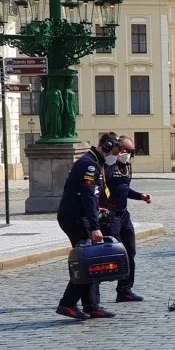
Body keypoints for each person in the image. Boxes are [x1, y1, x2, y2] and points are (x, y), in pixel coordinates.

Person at [56, 132, 121, 320]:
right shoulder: (90, 165)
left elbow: (91, 195)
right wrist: (94, 226)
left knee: (92, 259)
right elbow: (87, 195)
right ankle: (68, 303)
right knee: (89, 260)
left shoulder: (94, 162)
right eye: (115, 152)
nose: (116, 156)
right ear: (106, 148)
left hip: (78, 215)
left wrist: (97, 209)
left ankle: (91, 305)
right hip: (76, 218)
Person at [96, 136, 151, 304]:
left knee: (130, 252)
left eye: (130, 151)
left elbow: (124, 190)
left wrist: (140, 196)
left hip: (123, 215)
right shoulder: (107, 166)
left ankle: (125, 290)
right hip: (109, 217)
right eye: (124, 150)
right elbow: (99, 187)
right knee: (111, 255)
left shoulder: (127, 167)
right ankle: (91, 295)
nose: (127, 154)